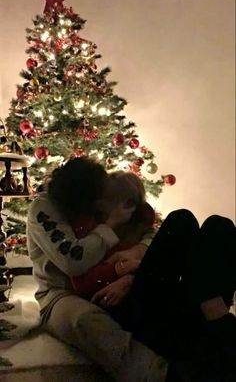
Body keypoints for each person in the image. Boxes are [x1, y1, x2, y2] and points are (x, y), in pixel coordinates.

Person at [26, 157, 168, 382]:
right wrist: (109, 225)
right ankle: (156, 375)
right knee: (86, 320)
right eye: (97, 198)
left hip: (114, 278)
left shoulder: (102, 205)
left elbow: (150, 230)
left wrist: (138, 250)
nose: (101, 203)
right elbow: (73, 261)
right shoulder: (44, 208)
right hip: (58, 295)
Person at [92, 209, 236, 381]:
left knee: (189, 222)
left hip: (187, 343)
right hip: (198, 322)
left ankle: (210, 311)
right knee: (211, 224)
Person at [70, 171, 156, 300]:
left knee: (181, 218)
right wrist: (118, 269)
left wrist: (131, 275)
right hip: (111, 297)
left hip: (143, 286)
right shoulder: (90, 227)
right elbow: (81, 283)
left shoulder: (140, 228)